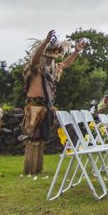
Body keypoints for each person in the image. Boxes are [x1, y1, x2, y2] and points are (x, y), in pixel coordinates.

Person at [21, 30, 87, 174]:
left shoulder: (54, 69)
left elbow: (65, 64)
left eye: (53, 56)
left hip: (47, 107)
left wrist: (76, 52)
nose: (51, 59)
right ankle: (30, 168)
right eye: (48, 55)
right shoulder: (35, 68)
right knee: (33, 136)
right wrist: (45, 41)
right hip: (34, 106)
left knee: (42, 137)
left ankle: (36, 167)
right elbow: (35, 57)